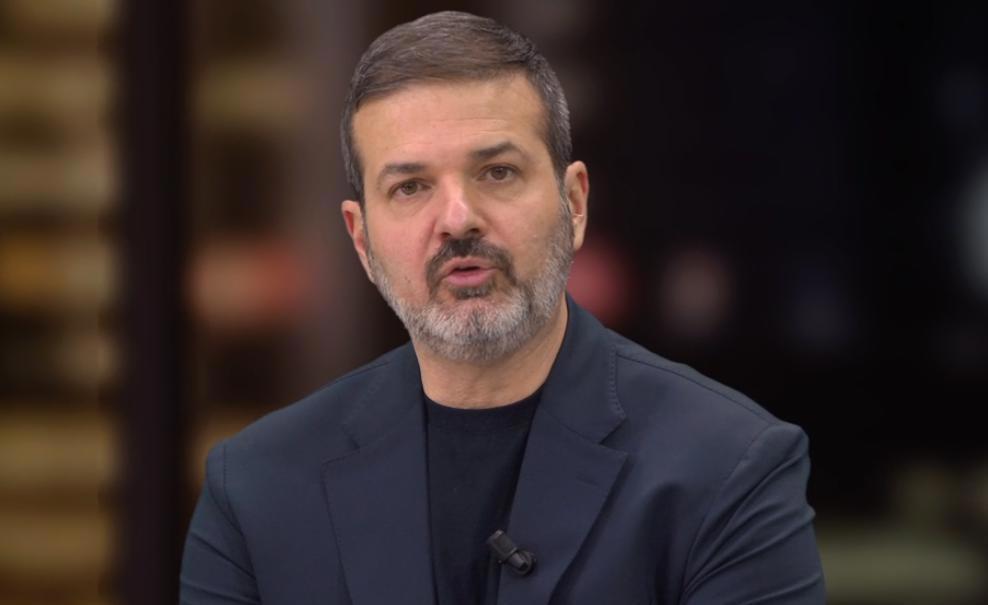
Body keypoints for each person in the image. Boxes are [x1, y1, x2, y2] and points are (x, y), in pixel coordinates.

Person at [180, 11, 825, 605]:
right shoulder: (255, 490)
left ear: (575, 204)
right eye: (411, 187)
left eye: (497, 173)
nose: (458, 218)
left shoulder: (729, 467)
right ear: (362, 240)